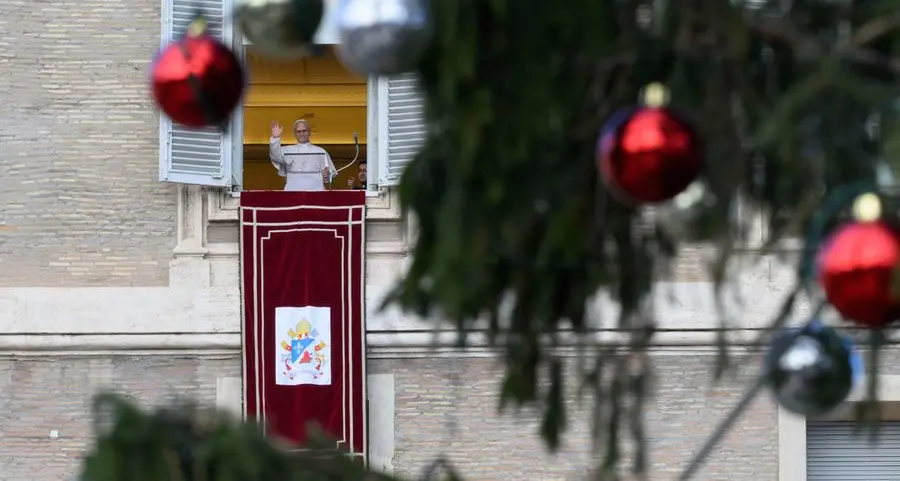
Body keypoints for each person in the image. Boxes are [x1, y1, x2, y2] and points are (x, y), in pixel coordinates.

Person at [269, 119, 337, 191]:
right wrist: (275, 139)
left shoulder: (320, 151)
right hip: (292, 192)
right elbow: (275, 157)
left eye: (304, 130)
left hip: (315, 192)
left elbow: (331, 173)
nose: (301, 133)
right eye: (298, 131)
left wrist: (327, 175)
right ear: (294, 133)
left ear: (309, 132)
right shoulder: (287, 151)